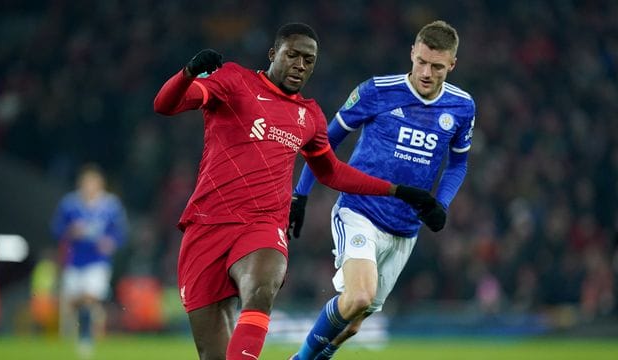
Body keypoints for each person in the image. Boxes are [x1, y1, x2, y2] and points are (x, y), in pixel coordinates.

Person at [153, 22, 444, 360]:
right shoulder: (235, 81)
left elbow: (332, 171)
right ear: (273, 53)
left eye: (309, 60)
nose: (300, 65)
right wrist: (188, 73)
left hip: (263, 224)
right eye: (293, 55)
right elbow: (165, 104)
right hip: (207, 225)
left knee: (262, 286)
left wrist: (398, 191)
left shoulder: (309, 116)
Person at [288, 20, 475, 359]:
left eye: (437, 66)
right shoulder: (377, 91)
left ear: (452, 65)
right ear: (412, 54)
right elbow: (324, 143)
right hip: (360, 212)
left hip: (405, 230)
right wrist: (300, 194)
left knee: (353, 323)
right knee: (358, 296)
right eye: (421, 62)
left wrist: (442, 203)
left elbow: (458, 163)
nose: (427, 72)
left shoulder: (462, 107)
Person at [51, 163, 127, 358]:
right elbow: (56, 229)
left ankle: (85, 340)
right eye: (86, 183)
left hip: (98, 261)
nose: (90, 187)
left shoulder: (111, 206)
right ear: (80, 184)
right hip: (74, 260)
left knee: (89, 297)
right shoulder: (69, 204)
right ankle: (82, 327)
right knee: (74, 302)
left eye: (93, 183)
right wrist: (70, 232)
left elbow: (121, 233)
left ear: (100, 184)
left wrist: (111, 242)